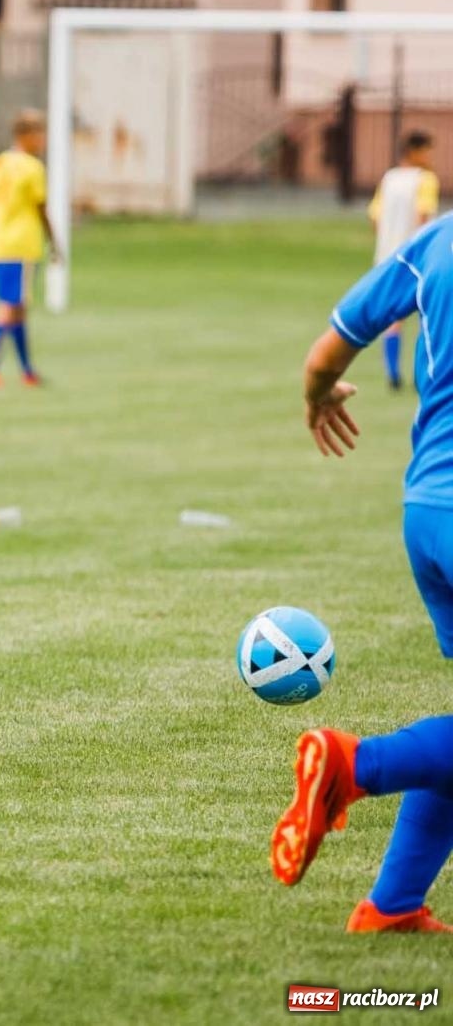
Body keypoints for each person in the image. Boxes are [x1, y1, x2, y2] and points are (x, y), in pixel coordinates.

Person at [271, 205, 453, 933]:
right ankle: (352, 766)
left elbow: (326, 354)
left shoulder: (439, 237)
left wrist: (317, 397)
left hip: (427, 508)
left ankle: (393, 903)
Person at [0, 109, 60, 388]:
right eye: (40, 134)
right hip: (22, 245)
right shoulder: (33, 168)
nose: (43, 140)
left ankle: (26, 370)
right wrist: (54, 242)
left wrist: (3, 217)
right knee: (9, 308)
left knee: (18, 308)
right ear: (26, 135)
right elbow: (41, 209)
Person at [368, 130, 439, 391]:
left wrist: (387, 242)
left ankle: (393, 372)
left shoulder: (389, 178)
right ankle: (425, 374)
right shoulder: (425, 179)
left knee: (394, 317)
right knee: (428, 315)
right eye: (428, 150)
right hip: (417, 258)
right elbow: (424, 215)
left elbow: (375, 217)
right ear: (415, 151)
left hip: (388, 257)